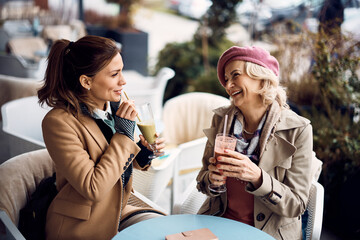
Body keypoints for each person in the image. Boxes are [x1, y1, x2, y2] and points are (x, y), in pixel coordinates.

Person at [38, 35, 166, 240]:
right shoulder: (58, 123)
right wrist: (124, 134)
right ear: (86, 81)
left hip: (116, 212)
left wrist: (143, 154)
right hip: (80, 228)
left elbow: (111, 161)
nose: (123, 81)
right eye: (115, 74)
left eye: (121, 71)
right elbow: (93, 187)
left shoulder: (112, 107)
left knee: (167, 230)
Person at [196, 46, 314, 239]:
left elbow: (297, 205)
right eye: (226, 79)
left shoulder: (298, 130)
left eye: (235, 75)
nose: (228, 85)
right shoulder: (221, 120)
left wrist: (258, 177)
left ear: (261, 78)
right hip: (218, 222)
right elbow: (202, 179)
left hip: (267, 232)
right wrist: (211, 179)